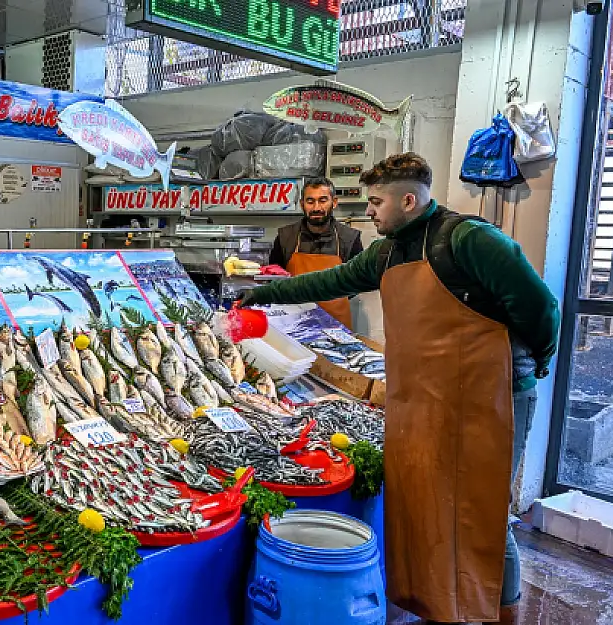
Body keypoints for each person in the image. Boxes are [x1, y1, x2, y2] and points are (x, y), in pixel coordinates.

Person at [238, 153, 560, 625]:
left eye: (375, 202)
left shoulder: (470, 241)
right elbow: (335, 279)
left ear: (408, 200)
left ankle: (502, 616)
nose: (369, 211)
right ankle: (443, 611)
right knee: (428, 504)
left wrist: (537, 364)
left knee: (483, 516)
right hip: (429, 396)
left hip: (493, 396)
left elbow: (541, 309)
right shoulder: (387, 251)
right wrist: (262, 293)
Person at [267, 177, 363, 328]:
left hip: (336, 326)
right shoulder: (286, 237)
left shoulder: (349, 238)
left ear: (334, 202)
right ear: (302, 204)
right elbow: (274, 278)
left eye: (323, 200)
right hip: (293, 324)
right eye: (310, 201)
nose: (316, 207)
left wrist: (332, 300)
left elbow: (358, 283)